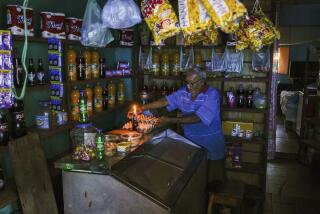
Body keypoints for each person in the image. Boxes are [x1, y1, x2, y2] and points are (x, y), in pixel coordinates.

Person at [133, 67, 226, 184]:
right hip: (191, 143)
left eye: (192, 83)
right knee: (195, 182)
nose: (188, 87)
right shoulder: (184, 92)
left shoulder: (212, 95)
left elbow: (198, 118)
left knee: (213, 182)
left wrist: (170, 120)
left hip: (211, 144)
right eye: (187, 82)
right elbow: (165, 101)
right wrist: (142, 108)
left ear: (202, 81)